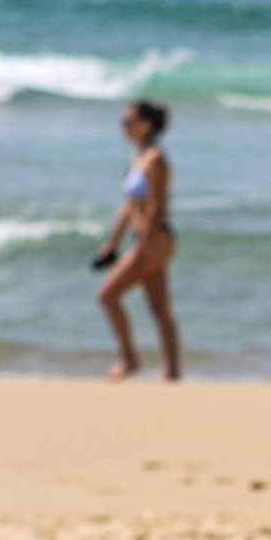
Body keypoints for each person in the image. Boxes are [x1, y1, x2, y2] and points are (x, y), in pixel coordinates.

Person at [91, 98, 180, 381]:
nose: (123, 127)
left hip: (154, 239)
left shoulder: (156, 160)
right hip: (142, 239)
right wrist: (111, 245)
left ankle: (129, 360)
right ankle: (173, 374)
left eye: (128, 122)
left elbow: (156, 206)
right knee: (159, 308)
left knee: (107, 295)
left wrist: (145, 244)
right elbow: (129, 206)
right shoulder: (137, 157)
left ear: (146, 125)